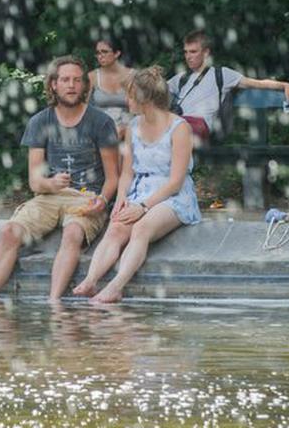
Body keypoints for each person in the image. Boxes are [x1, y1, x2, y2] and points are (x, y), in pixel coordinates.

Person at [0, 56, 119, 304]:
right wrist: (50, 183)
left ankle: (54, 303)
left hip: (87, 197)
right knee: (10, 232)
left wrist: (102, 199)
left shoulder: (101, 122)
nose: (71, 85)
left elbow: (113, 178)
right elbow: (34, 180)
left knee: (72, 233)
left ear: (84, 86)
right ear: (53, 85)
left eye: (77, 80)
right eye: (65, 80)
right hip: (49, 195)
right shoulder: (40, 121)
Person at [73, 66, 200, 304]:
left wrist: (142, 207)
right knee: (116, 227)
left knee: (141, 228)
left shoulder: (179, 127)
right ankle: (90, 281)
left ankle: (115, 287)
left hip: (172, 195)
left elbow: (176, 181)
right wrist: (121, 197)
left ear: (145, 99)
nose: (126, 100)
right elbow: (127, 171)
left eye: (130, 95)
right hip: (139, 190)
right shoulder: (133, 127)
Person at [167, 30, 289, 141]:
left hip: (197, 126)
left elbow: (257, 83)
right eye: (186, 52)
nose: (188, 57)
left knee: (171, 133)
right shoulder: (181, 78)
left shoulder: (221, 74)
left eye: (193, 52)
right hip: (177, 124)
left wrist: (284, 85)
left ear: (206, 52)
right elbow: (153, 92)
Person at [87, 36, 133, 140]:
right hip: (99, 131)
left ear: (117, 53)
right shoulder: (92, 77)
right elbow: (83, 108)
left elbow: (139, 110)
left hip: (128, 131)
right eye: (98, 53)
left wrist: (126, 129)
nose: (100, 56)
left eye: (104, 52)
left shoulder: (132, 76)